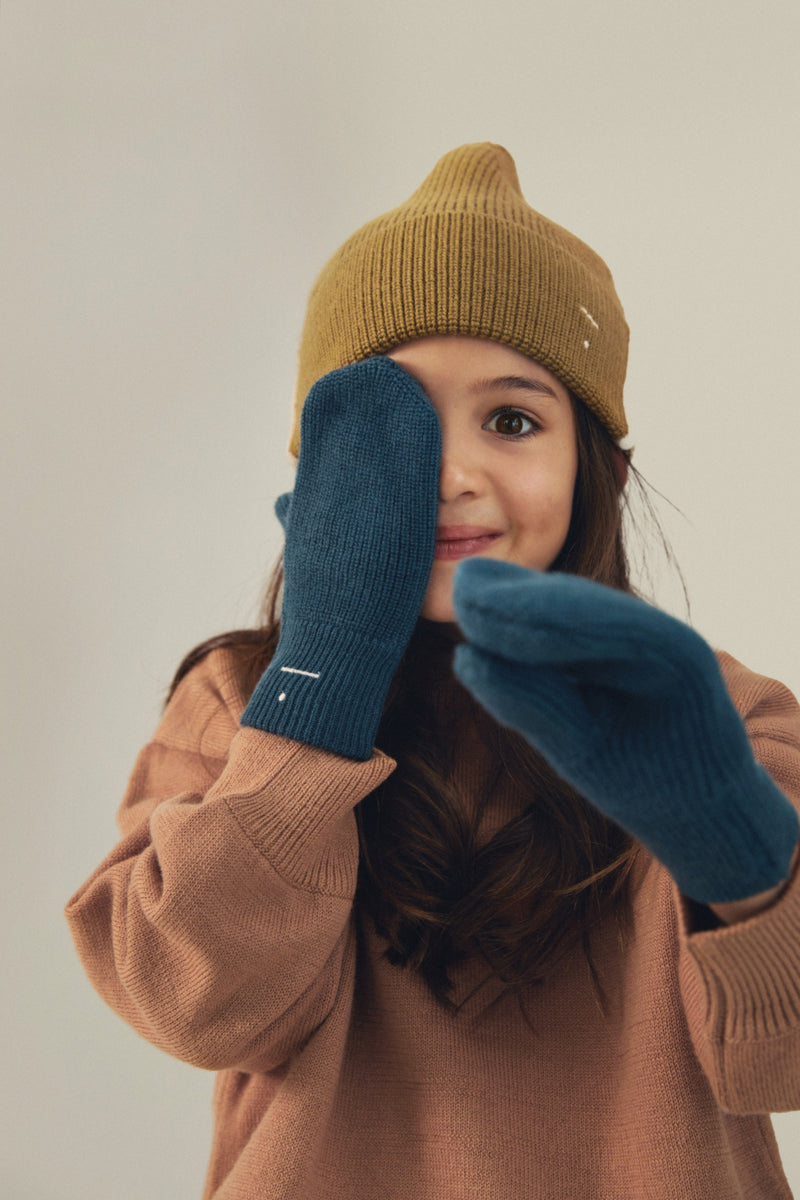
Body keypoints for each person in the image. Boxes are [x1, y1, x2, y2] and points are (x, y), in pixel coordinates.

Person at [66, 143, 800, 1199]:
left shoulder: (714, 714)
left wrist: (732, 843)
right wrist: (318, 691)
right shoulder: (234, 706)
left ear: (599, 467)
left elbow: (780, 1062)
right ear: (318, 476)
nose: (451, 474)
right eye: (393, 430)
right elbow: (196, 1008)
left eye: (511, 420)